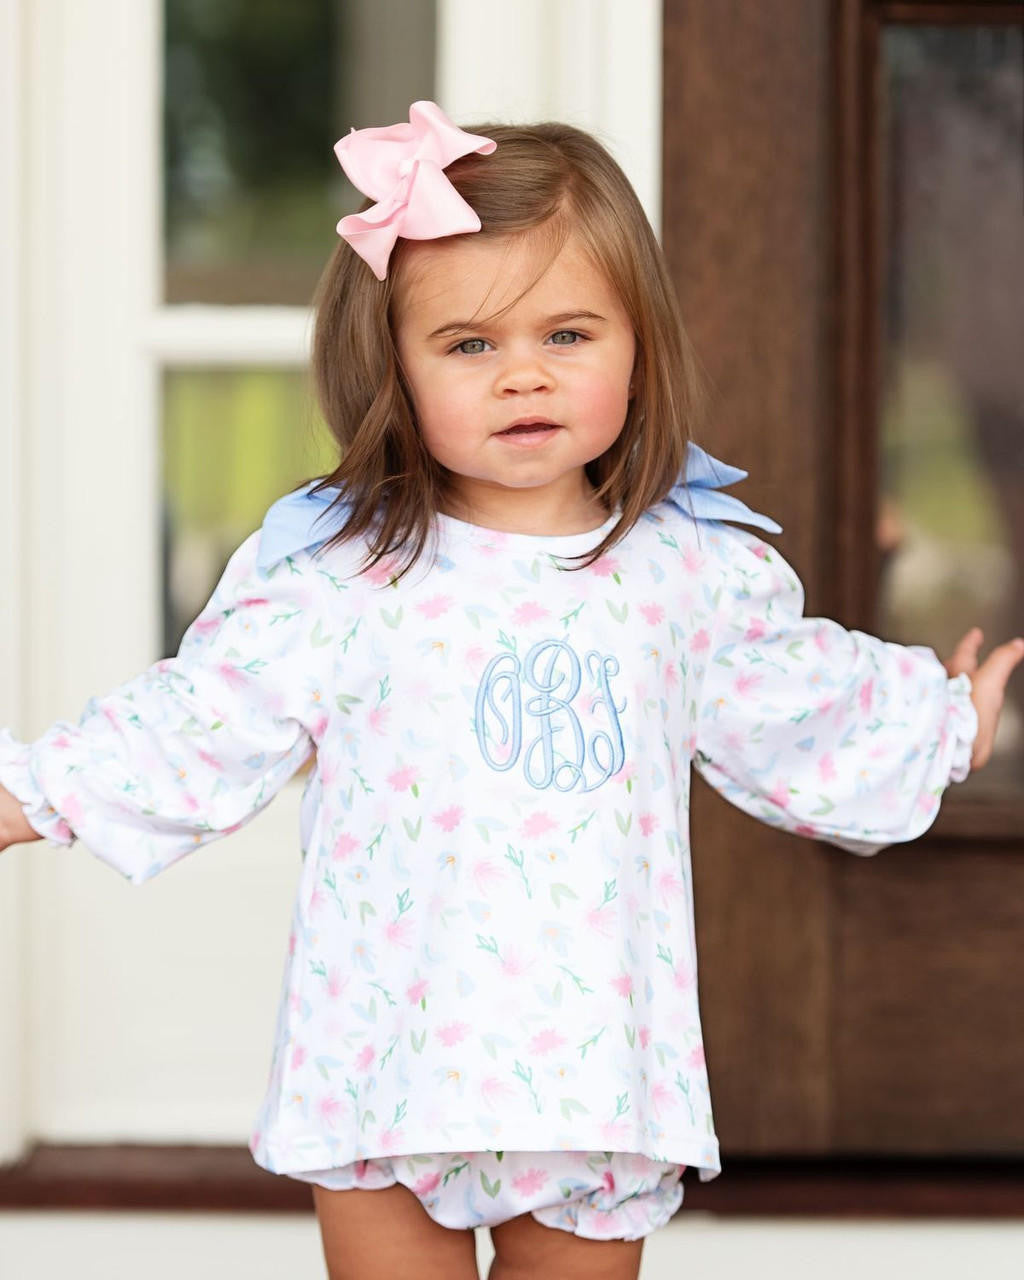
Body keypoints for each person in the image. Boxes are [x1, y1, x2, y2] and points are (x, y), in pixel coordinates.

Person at [0, 101, 1020, 1280]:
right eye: (470, 345)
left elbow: (790, 695)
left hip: (593, 1079)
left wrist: (937, 720)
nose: (523, 373)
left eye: (569, 334)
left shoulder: (686, 567)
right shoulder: (337, 574)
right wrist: (28, 793)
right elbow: (196, 719)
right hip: (385, 1069)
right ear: (393, 363)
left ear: (637, 342)